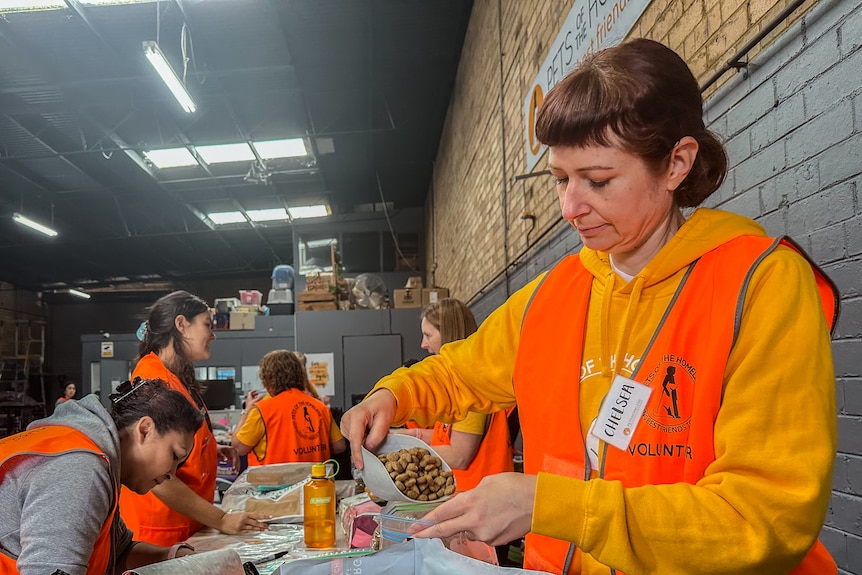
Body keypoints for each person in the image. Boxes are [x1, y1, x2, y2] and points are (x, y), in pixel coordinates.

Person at [340, 38, 839, 575]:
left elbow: (765, 517)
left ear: (676, 163)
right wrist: (394, 393)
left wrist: (547, 504)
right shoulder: (556, 293)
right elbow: (462, 370)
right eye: (560, 179)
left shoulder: (759, 285)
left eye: (598, 181)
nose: (571, 208)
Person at [0, 378, 203, 575]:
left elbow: (116, 553)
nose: (172, 474)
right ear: (145, 430)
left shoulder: (95, 458)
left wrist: (178, 559)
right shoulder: (80, 470)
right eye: (175, 455)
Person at [120, 290, 268, 546]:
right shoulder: (154, 380)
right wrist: (222, 519)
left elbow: (176, 439)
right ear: (181, 325)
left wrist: (208, 449)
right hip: (161, 529)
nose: (213, 335)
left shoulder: (175, 377)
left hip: (184, 523)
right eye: (207, 325)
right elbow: (156, 476)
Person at [393, 298, 514, 491]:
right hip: (470, 494)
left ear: (448, 333)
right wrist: (410, 435)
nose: (423, 344)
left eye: (428, 335)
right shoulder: (459, 379)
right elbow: (451, 435)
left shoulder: (471, 380)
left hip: (480, 497)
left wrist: (402, 453)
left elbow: (459, 454)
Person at [231, 349, 346, 464]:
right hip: (317, 480)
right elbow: (339, 446)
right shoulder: (320, 406)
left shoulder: (262, 410)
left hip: (273, 480)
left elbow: (238, 448)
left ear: (268, 379)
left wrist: (246, 411)